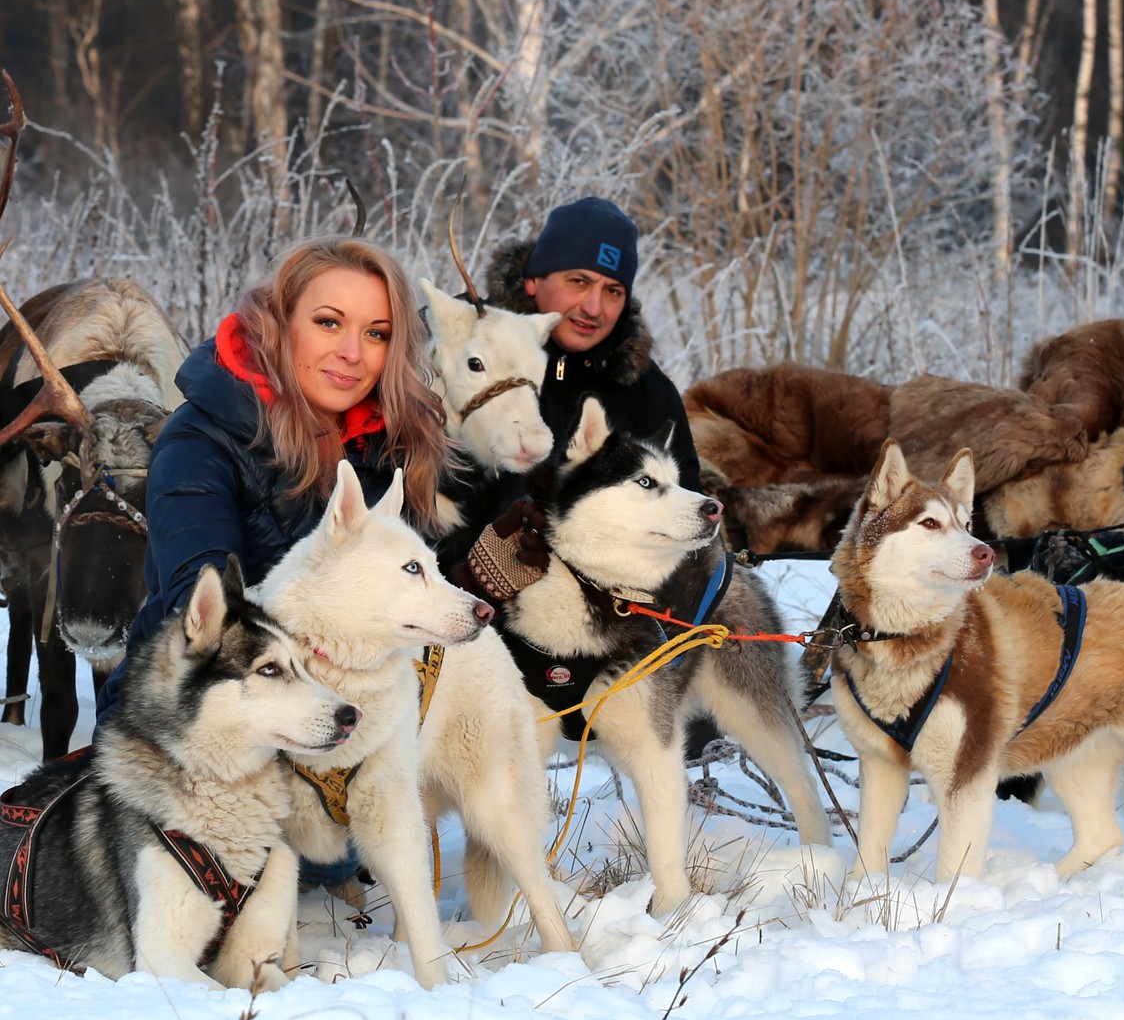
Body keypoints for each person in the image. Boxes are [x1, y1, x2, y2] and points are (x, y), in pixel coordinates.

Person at [99, 236, 453, 718]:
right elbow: (208, 621)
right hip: (201, 723)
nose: (353, 352)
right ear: (277, 325)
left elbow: (423, 597)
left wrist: (496, 567)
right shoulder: (201, 443)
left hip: (356, 715)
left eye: (377, 333)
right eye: (329, 322)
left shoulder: (394, 442)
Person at [449, 196, 707, 605]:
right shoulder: (466, 349)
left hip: (590, 612)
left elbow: (682, 516)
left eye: (613, 291)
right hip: (452, 593)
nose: (593, 308)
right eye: (579, 281)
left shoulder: (645, 392)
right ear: (533, 281)